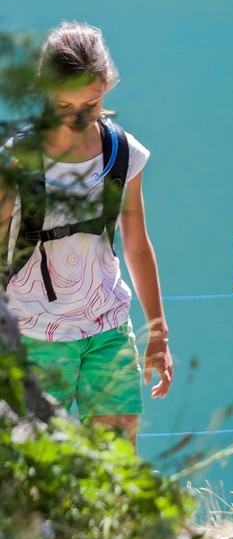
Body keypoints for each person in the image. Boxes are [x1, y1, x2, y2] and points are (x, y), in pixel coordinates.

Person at [0, 22, 172, 443]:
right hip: (33, 332)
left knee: (117, 456)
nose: (77, 117)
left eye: (90, 104)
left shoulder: (123, 153)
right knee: (35, 461)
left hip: (107, 327)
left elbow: (136, 244)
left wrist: (157, 333)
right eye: (64, 105)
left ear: (107, 88)